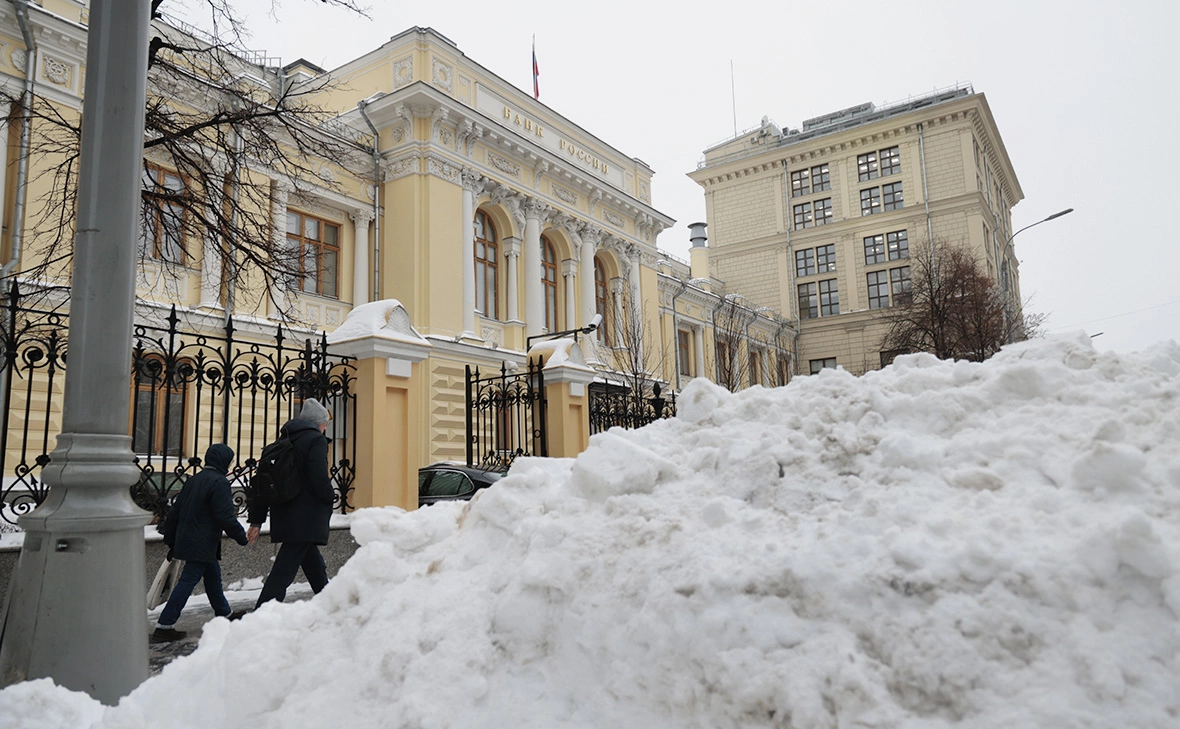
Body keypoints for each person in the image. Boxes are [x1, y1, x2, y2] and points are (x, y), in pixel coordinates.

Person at [151, 443, 249, 643]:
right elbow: (225, 516)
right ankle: (164, 625)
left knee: (213, 577)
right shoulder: (219, 483)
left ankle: (225, 613)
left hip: (189, 539)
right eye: (229, 461)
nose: (230, 465)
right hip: (202, 542)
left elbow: (175, 512)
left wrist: (171, 539)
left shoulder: (194, 480)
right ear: (223, 461)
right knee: (187, 581)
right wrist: (241, 536)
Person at [247, 397, 335, 608]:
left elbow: (261, 484)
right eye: (325, 424)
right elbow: (318, 476)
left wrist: (256, 520)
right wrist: (329, 497)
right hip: (306, 514)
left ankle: (330, 602)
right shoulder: (315, 440)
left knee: (311, 560)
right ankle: (263, 610)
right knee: (284, 568)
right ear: (318, 423)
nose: (325, 428)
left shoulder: (280, 443)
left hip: (284, 512)